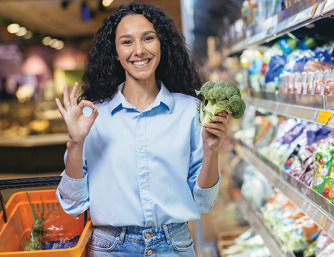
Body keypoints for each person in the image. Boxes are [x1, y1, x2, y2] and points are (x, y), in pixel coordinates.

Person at [55, 3, 230, 256]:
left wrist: (212, 150)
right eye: (126, 42)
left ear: (162, 44)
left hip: (174, 245)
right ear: (115, 52)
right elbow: (73, 204)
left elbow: (203, 202)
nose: (139, 50)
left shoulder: (191, 111)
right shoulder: (93, 117)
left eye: (148, 38)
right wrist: (75, 143)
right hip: (111, 247)